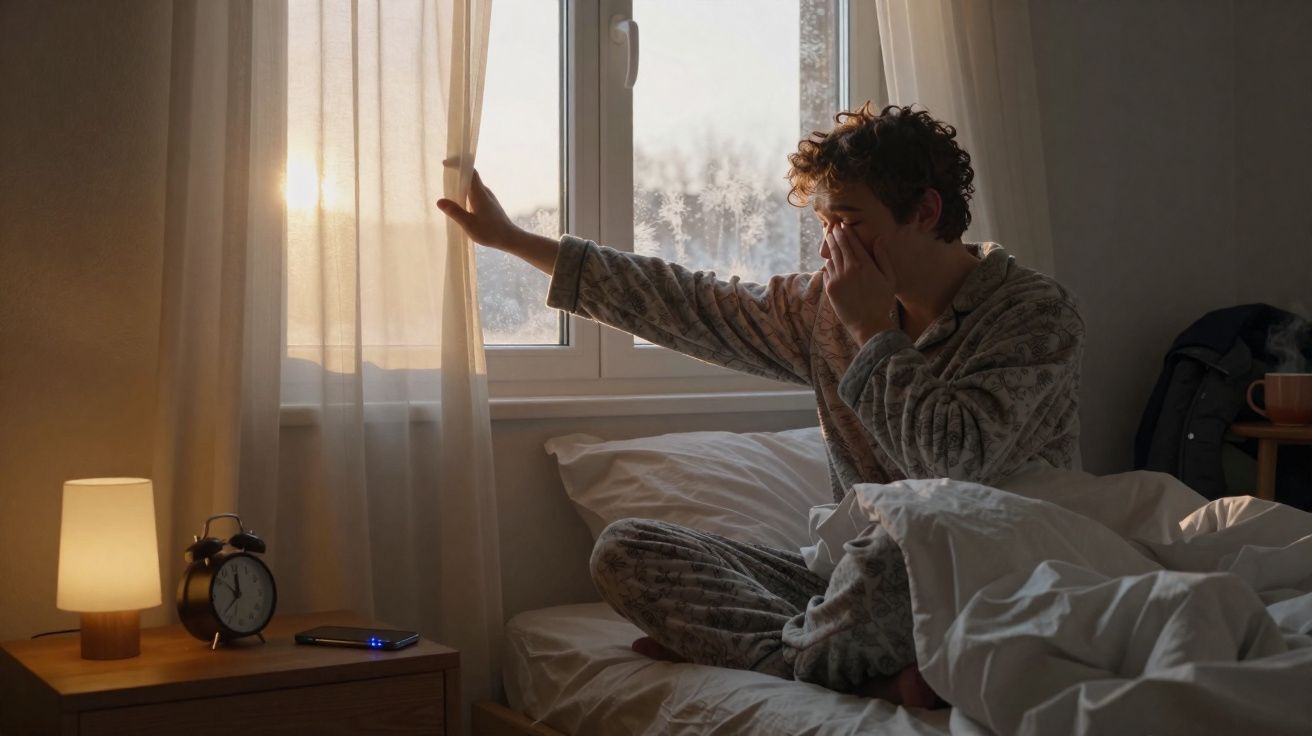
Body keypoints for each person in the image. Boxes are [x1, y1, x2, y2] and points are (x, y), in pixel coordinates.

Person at [438, 103, 1084, 708]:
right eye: (825, 223)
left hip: (982, 572)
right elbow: (688, 302)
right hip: (850, 583)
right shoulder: (823, 308)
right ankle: (830, 661)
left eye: (850, 222)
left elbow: (954, 460)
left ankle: (796, 652)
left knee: (902, 537)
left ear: (924, 211)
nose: (833, 245)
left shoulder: (1031, 313)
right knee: (627, 549)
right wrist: (514, 240)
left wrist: (872, 336)